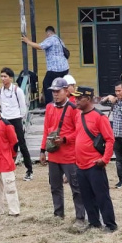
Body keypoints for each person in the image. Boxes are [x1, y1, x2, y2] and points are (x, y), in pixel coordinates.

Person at [40, 77, 85, 225]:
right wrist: (42, 150)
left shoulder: (73, 109)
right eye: (53, 91)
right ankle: (58, 214)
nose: (55, 94)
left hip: (69, 155)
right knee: (55, 187)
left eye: (58, 91)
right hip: (53, 155)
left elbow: (78, 131)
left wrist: (64, 139)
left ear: (66, 91)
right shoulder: (49, 107)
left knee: (76, 188)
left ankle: (80, 216)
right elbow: (46, 130)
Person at [74, 86, 117, 232]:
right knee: (86, 196)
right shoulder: (78, 116)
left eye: (79, 98)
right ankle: (94, 222)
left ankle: (110, 224)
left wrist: (105, 160)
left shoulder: (99, 117)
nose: (76, 100)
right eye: (75, 97)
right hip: (81, 165)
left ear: (88, 99)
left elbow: (110, 139)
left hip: (95, 163)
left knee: (102, 196)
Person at [0, 67, 34, 181]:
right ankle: (8, 169)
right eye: (2, 76)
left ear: (11, 78)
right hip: (5, 120)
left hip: (16, 119)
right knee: (7, 146)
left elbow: (23, 106)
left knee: (21, 144)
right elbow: (0, 106)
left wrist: (20, 119)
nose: (3, 79)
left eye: (5, 76)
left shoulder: (17, 90)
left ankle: (29, 170)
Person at [22, 26, 69, 105]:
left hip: (55, 68)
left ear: (48, 33)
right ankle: (62, 102)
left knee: (46, 84)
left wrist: (27, 41)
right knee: (60, 85)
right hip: (64, 67)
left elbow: (40, 46)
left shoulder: (51, 39)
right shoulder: (59, 40)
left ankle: (50, 105)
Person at [101, 81, 122, 190]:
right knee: (119, 160)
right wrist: (108, 97)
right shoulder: (114, 101)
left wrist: (116, 101)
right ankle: (121, 180)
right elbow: (102, 103)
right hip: (116, 135)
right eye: (116, 91)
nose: (117, 93)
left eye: (119, 90)